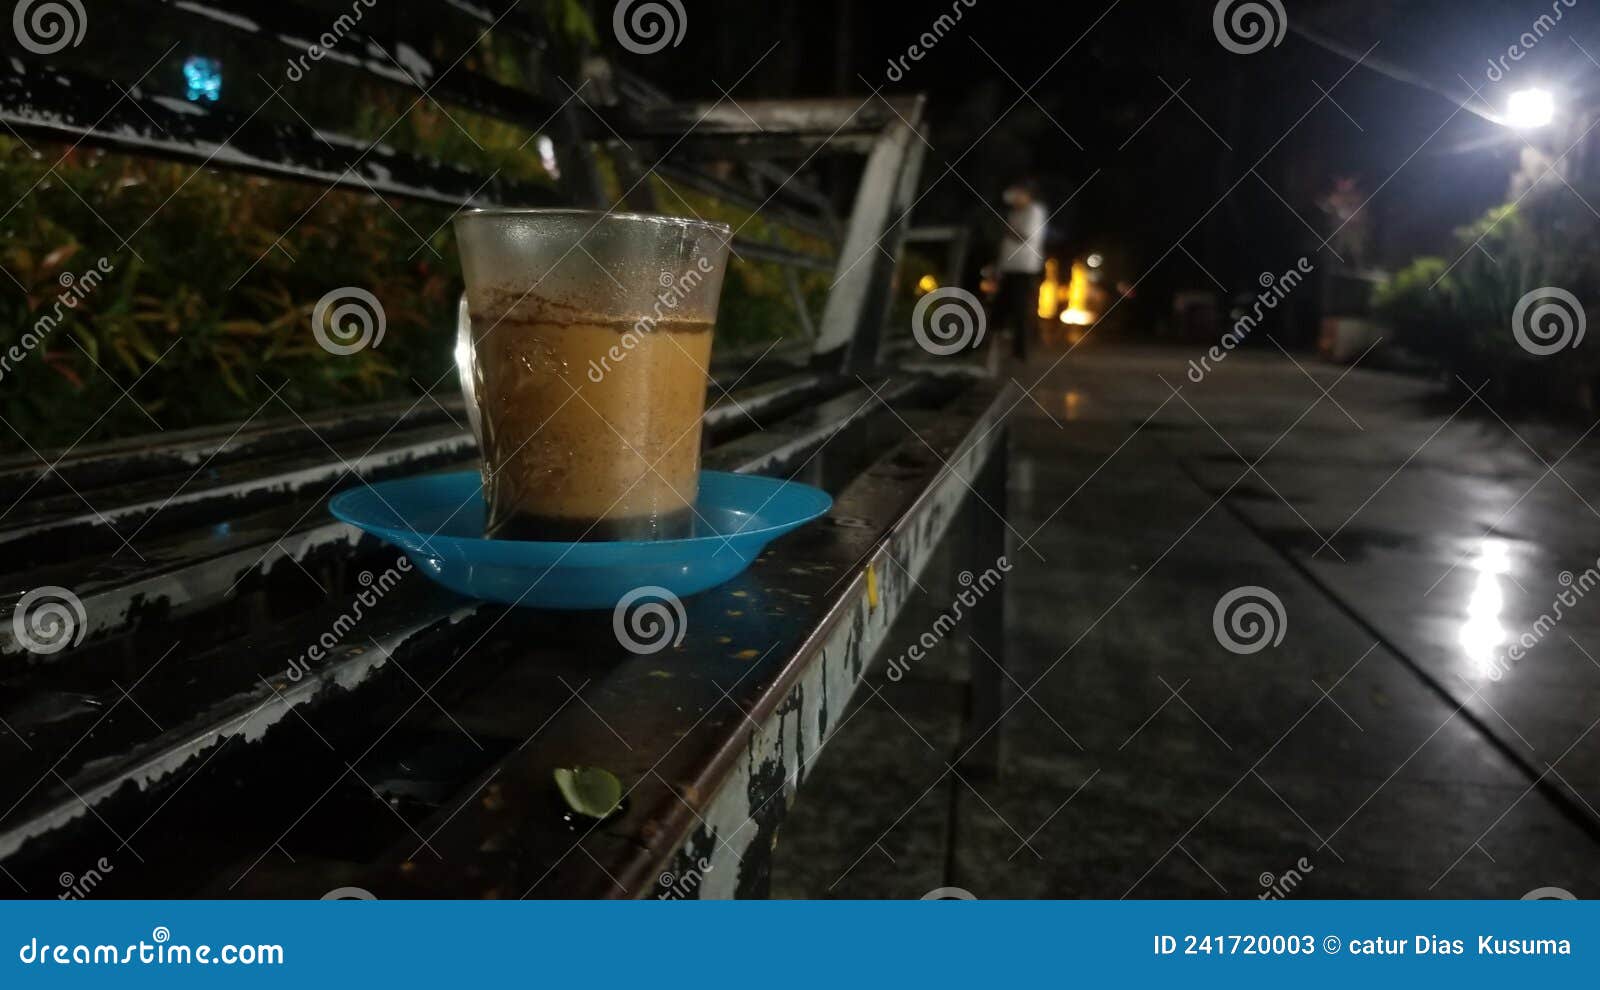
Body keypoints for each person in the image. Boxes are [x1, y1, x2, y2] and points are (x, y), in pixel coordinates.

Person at [993, 181, 1047, 361]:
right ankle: (994, 346)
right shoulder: (1015, 212)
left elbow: (1025, 236)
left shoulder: (1034, 211)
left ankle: (1020, 352)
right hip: (1010, 267)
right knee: (1001, 308)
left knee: (1020, 310)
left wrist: (1007, 230)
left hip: (1024, 269)